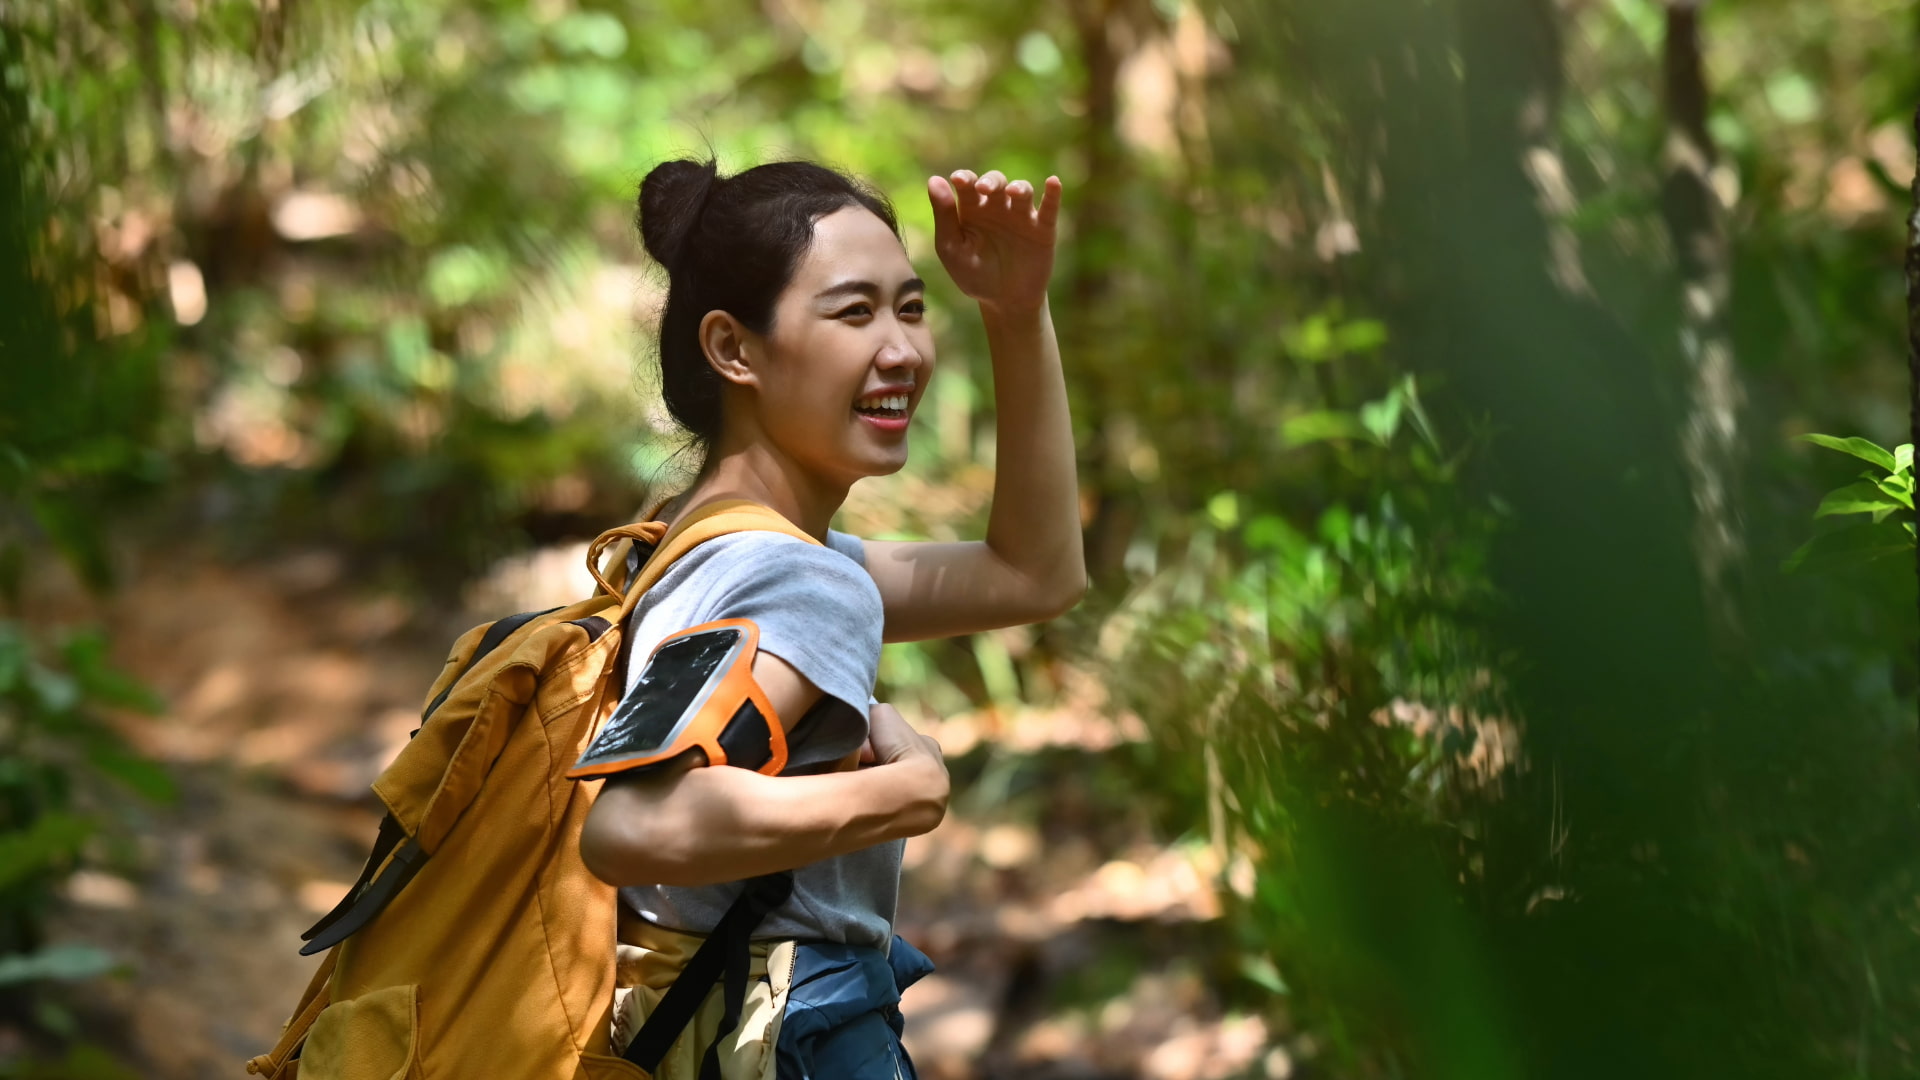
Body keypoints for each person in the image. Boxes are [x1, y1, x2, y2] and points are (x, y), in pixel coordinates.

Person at [577, 156, 1083, 1078]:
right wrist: (901, 794)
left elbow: (1032, 575)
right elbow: (635, 826)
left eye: (912, 308)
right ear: (733, 349)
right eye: (855, 313)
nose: (902, 350)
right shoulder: (799, 581)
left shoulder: (698, 548)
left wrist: (1015, 311)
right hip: (795, 1035)